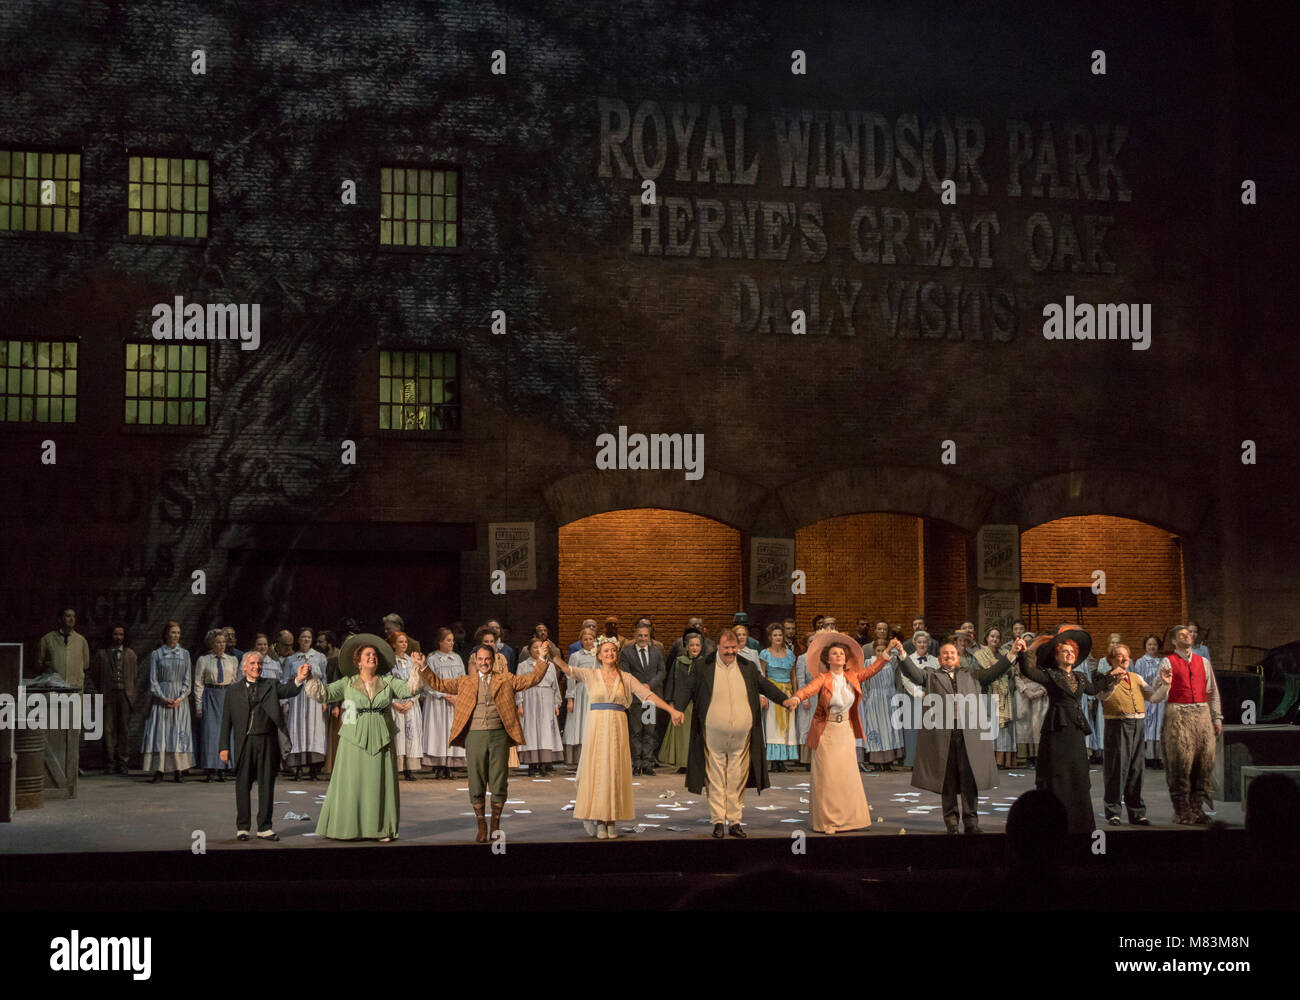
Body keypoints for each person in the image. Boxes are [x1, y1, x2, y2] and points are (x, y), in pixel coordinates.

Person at [411, 641, 554, 842]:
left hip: (498, 736)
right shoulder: (465, 681)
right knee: (476, 780)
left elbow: (532, 679)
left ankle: (495, 823)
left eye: (487, 659)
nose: (484, 662)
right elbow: (438, 684)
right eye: (480, 659)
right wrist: (423, 667)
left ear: (493, 661)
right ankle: (481, 823)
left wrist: (541, 658)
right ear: (475, 662)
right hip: (475, 736)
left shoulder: (505, 679)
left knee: (498, 779)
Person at [302, 633, 433, 841]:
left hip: (381, 737)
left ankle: (380, 828)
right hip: (353, 739)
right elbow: (324, 694)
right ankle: (348, 828)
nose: (372, 657)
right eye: (367, 654)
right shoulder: (348, 683)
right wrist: (309, 678)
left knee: (378, 784)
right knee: (352, 783)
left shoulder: (388, 681)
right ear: (359, 661)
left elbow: (410, 689)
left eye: (374, 655)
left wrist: (417, 667)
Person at [551, 636, 683, 838]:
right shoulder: (591, 675)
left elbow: (647, 696)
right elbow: (568, 670)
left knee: (614, 773)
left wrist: (671, 710)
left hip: (617, 729)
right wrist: (552, 653)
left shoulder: (626, 678)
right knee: (598, 772)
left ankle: (611, 820)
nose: (610, 654)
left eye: (613, 650)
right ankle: (599, 818)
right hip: (597, 728)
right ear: (599, 655)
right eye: (605, 651)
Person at [896, 634, 1027, 833]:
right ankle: (951, 823)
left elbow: (994, 672)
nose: (949, 656)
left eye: (952, 653)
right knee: (947, 780)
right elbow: (913, 674)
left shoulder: (971, 675)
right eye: (945, 653)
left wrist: (1012, 654)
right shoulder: (931, 675)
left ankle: (971, 822)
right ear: (939, 658)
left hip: (968, 736)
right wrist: (903, 655)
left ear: (958, 657)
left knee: (969, 779)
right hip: (944, 736)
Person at [672, 628, 792, 838]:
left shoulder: (747, 667)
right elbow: (687, 688)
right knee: (716, 778)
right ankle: (718, 821)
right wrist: (677, 709)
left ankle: (735, 822)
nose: (730, 652)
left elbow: (765, 685)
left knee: (736, 778)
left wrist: (784, 699)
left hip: (742, 736)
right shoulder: (703, 666)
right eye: (726, 648)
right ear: (718, 647)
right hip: (713, 734)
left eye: (734, 648)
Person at [788, 630, 893, 833]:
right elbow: (809, 689)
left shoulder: (852, 676)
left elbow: (873, 670)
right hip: (826, 731)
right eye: (835, 654)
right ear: (828, 659)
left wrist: (887, 652)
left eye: (842, 654)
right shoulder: (823, 678)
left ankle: (851, 820)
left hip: (845, 730)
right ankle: (828, 821)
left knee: (847, 777)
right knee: (828, 778)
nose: (839, 656)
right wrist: (796, 698)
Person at [1017, 624, 1118, 835]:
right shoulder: (1050, 675)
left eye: (1072, 651)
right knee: (1057, 774)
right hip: (1056, 729)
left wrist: (1112, 675)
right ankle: (1054, 822)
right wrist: (1023, 652)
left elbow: (1094, 689)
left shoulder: (1081, 678)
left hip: (1075, 730)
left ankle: (1079, 822)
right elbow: (1027, 671)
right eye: (1066, 651)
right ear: (1057, 655)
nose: (1070, 654)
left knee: (1077, 774)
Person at [219, 651, 312, 841]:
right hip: (244, 742)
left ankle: (264, 827)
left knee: (266, 785)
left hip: (267, 741)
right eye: (252, 663)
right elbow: (226, 721)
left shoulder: (270, 684)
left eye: (259, 664)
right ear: (244, 667)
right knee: (243, 785)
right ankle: (243, 827)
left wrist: (299, 678)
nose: (256, 667)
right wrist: (224, 747)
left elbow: (288, 690)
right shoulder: (233, 690)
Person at [1098, 643, 1170, 825]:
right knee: (1117, 768)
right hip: (1117, 724)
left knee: (1136, 769)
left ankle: (1136, 812)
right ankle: (1113, 811)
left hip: (1138, 724)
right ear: (1111, 660)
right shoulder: (1104, 678)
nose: (1123, 659)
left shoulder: (1136, 677)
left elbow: (1153, 697)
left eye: (1126, 656)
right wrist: (1114, 679)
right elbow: (1102, 696)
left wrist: (1165, 685)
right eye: (1119, 656)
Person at [1159, 625, 1223, 825]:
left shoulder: (1203, 662)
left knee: (1204, 764)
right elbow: (1158, 690)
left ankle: (1197, 808)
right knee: (1180, 765)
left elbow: (1212, 691)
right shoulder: (1167, 662)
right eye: (1181, 635)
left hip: (1202, 714)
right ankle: (1181, 810)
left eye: (1189, 633)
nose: (1187, 636)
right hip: (1179, 714)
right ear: (1174, 641)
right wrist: (1165, 684)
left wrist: (1217, 718)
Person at [141, 621, 194, 782]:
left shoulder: (185, 654)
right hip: (162, 699)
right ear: (166, 634)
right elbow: (153, 680)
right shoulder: (157, 654)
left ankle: (179, 769)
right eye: (173, 632)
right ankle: (159, 770)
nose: (176, 636)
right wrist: (163, 698)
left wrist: (179, 698)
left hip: (179, 700)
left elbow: (187, 680)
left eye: (178, 633)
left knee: (178, 733)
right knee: (161, 733)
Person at [619, 623, 666, 775]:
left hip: (651, 699)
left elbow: (661, 672)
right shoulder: (626, 653)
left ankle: (647, 763)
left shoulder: (656, 652)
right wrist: (639, 686)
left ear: (649, 636)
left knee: (649, 730)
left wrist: (649, 685)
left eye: (645, 635)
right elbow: (625, 674)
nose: (643, 638)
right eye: (640, 635)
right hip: (635, 699)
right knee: (636, 731)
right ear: (635, 636)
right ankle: (636, 763)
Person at [193, 628, 239, 782]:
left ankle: (223, 768)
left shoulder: (231, 660)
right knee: (210, 734)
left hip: (226, 696)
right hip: (210, 695)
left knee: (225, 734)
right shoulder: (204, 660)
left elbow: (234, 682)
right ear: (212, 643)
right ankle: (210, 769)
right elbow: (199, 683)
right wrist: (199, 706)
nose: (221, 645)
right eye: (218, 642)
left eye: (223, 642)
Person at [283, 627, 328, 781]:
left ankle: (314, 769)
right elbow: (285, 680)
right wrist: (285, 702)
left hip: (314, 698)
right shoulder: (291, 660)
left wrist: (324, 700)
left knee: (314, 730)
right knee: (298, 729)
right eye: (303, 637)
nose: (306, 640)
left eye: (309, 637)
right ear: (298, 640)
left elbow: (324, 680)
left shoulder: (320, 657)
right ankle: (298, 768)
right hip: (297, 698)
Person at [515, 638, 564, 776]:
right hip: (530, 697)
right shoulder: (523, 666)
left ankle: (544, 764)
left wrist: (556, 703)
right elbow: (518, 686)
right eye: (535, 647)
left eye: (540, 648)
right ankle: (532, 764)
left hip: (546, 698)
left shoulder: (551, 665)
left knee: (545, 730)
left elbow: (555, 685)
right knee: (531, 730)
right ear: (529, 650)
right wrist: (520, 703)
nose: (537, 650)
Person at [422, 627, 467, 779]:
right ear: (440, 642)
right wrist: (442, 694)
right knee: (439, 731)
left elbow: (463, 680)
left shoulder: (457, 659)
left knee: (452, 732)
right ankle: (439, 765)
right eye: (448, 640)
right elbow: (428, 682)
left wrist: (457, 696)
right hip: (438, 702)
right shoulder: (433, 659)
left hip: (454, 702)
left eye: (452, 640)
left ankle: (451, 765)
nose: (451, 643)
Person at [858, 623, 904, 771]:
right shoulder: (868, 663)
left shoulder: (892, 662)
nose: (880, 653)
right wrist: (865, 699)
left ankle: (888, 761)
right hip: (874, 700)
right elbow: (864, 684)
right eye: (877, 650)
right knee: (876, 728)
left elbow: (897, 679)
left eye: (882, 650)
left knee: (890, 729)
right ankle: (877, 761)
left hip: (889, 698)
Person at [92, 624, 136, 775]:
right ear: (110, 635)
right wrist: (103, 689)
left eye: (121, 634)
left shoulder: (130, 654)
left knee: (123, 729)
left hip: (124, 694)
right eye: (116, 634)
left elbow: (133, 675)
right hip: (108, 695)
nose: (118, 637)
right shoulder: (102, 654)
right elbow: (95, 675)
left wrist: (129, 692)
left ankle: (122, 761)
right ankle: (109, 762)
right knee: (108, 729)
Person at [658, 629, 702, 772]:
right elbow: (671, 682)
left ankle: (694, 764)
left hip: (697, 704)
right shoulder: (678, 662)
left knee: (695, 735)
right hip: (681, 704)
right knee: (682, 736)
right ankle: (683, 764)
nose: (694, 648)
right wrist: (671, 702)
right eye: (692, 645)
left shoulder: (705, 663)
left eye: (697, 645)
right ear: (687, 647)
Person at [759, 623, 799, 772]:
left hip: (787, 692)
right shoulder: (765, 654)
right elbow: (762, 675)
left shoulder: (790, 654)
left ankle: (782, 761)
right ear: (770, 637)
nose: (778, 637)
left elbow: (793, 676)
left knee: (788, 727)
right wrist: (763, 694)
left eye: (780, 635)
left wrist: (796, 695)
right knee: (773, 726)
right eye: (775, 635)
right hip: (772, 692)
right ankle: (774, 760)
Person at [974, 626, 1017, 769]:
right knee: (990, 727)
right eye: (992, 636)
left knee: (1004, 730)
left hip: (1005, 694)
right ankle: (989, 760)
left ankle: (1002, 760)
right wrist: (999, 667)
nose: (995, 639)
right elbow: (984, 673)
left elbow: (1013, 670)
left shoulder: (1006, 653)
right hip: (989, 692)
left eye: (997, 637)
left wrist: (1000, 666)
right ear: (987, 638)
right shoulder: (979, 654)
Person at [895, 629, 935, 768]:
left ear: (928, 644)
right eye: (919, 642)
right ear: (914, 643)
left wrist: (929, 693)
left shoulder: (935, 660)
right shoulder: (908, 658)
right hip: (912, 698)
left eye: (925, 642)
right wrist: (919, 694)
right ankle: (912, 761)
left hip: (931, 699)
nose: (922, 645)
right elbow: (905, 679)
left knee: (929, 730)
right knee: (912, 730)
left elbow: (937, 679)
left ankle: (929, 762)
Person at [389, 632, 425, 780]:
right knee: (398, 736)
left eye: (405, 642)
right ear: (393, 644)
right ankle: (395, 768)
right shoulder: (389, 661)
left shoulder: (411, 661)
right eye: (400, 642)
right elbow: (385, 682)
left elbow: (418, 682)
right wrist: (393, 702)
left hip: (410, 703)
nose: (404, 644)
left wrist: (411, 701)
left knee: (410, 735)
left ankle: (408, 769)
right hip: (395, 703)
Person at [563, 626, 598, 767]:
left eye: (591, 639)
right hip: (581, 691)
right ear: (581, 641)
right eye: (585, 639)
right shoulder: (575, 656)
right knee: (579, 722)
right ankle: (578, 756)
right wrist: (570, 698)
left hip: (595, 691)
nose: (588, 642)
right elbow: (570, 677)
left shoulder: (598, 655)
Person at [1014, 633, 1047, 766]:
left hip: (1039, 693)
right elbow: (1015, 676)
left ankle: (1039, 756)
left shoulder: (1041, 658)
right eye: (1025, 641)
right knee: (1024, 726)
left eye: (1030, 641)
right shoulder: (1018, 658)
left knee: (1038, 726)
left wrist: (1041, 691)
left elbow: (1047, 675)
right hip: (1024, 694)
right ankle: (1026, 756)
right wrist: (1025, 690)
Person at [1133, 634, 1166, 769]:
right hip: (1146, 697)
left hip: (1160, 698)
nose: (1152, 647)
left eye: (1154, 644)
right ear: (1145, 647)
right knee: (1147, 726)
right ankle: (1147, 757)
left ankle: (1158, 757)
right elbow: (1138, 681)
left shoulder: (1163, 661)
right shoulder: (1141, 662)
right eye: (1149, 644)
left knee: (1159, 727)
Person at [38, 607, 90, 690]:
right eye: (68, 616)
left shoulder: (81, 640)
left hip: (75, 687)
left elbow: (86, 665)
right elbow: (39, 663)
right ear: (60, 619)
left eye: (74, 616)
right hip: (54, 688)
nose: (71, 619)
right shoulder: (47, 639)